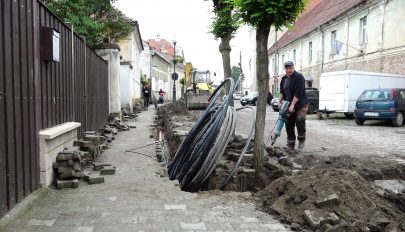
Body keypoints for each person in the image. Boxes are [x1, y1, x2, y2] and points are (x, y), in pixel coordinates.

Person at [278, 61, 308, 149]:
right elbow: (282, 92)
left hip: (300, 104)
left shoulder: (299, 77)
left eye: (290, 68)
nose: (288, 70)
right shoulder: (284, 79)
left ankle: (301, 139)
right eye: (287, 68)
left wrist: (292, 105)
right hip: (288, 104)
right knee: (288, 123)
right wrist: (279, 102)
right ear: (285, 69)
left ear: (293, 68)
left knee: (299, 120)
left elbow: (298, 92)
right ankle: (290, 144)